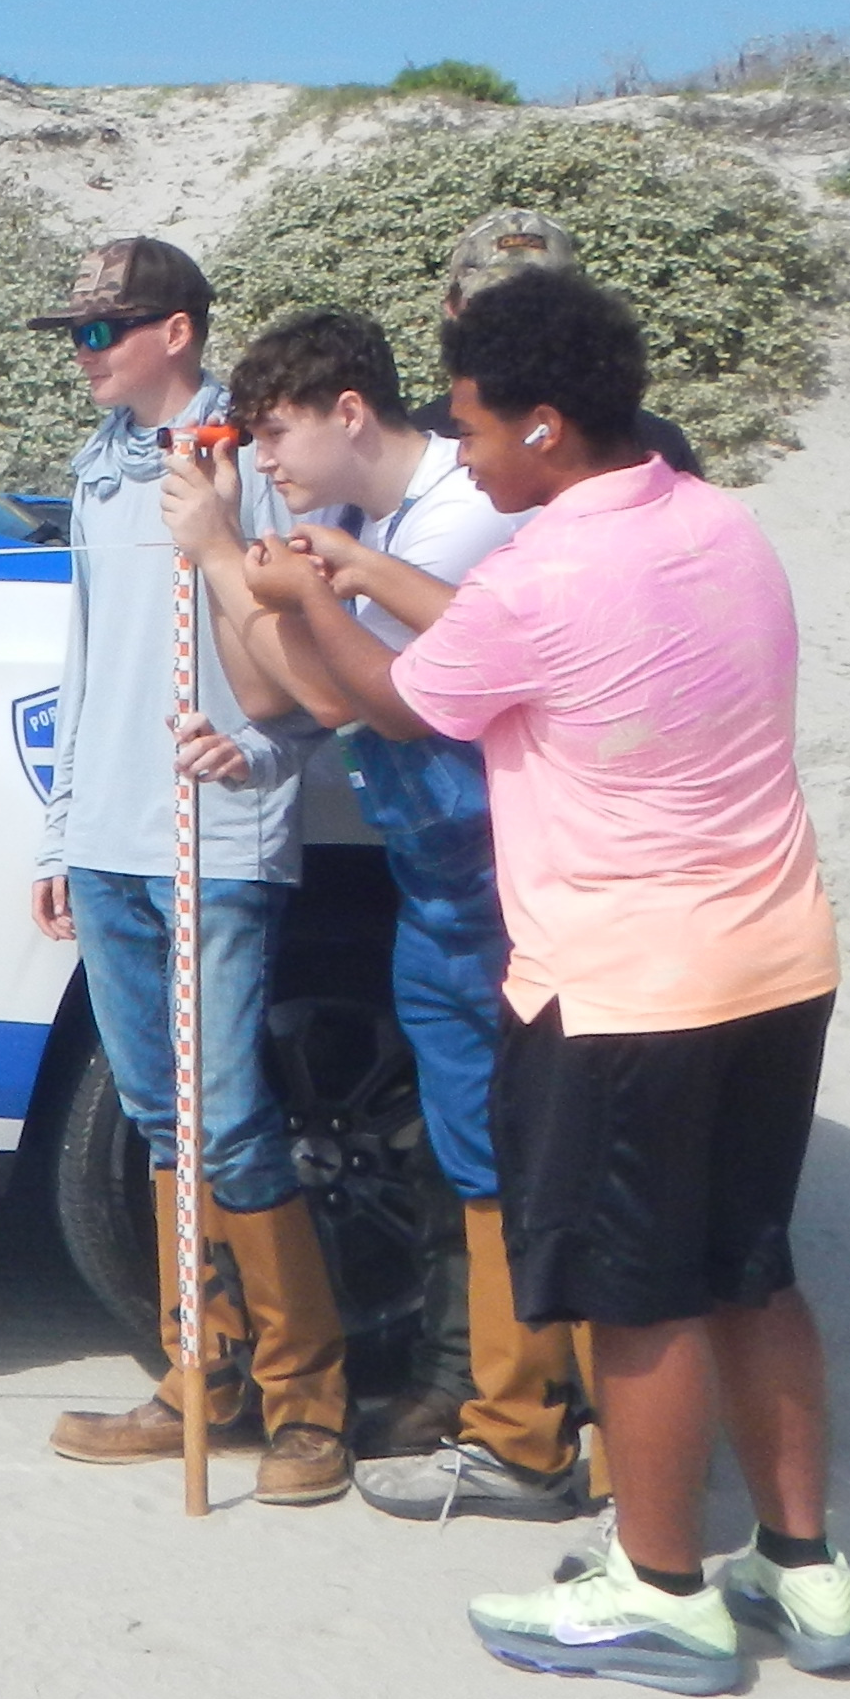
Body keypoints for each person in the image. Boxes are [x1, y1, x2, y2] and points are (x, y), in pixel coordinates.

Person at [241, 268, 850, 1696]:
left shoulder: (541, 580)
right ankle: (802, 1563)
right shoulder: (718, 521)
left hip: (624, 988)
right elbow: (487, 626)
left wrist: (300, 592)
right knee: (752, 1269)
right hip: (779, 960)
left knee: (638, 1298)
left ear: (542, 425)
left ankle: (661, 1589)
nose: (459, 453)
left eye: (471, 426)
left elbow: (395, 701)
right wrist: (364, 574)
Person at [200, 307, 586, 1519]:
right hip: (437, 876)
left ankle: (543, 1420)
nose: (264, 458)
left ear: (351, 412)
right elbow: (270, 690)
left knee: (524, 1148)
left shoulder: (461, 520)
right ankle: (483, 1399)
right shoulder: (365, 524)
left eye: (275, 433)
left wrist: (229, 561)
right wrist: (236, 566)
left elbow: (356, 695)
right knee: (464, 1147)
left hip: (503, 878)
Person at [23, 238, 353, 1504]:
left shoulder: (248, 460)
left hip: (215, 830)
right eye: (74, 333)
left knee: (231, 1112)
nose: (84, 353)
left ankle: (309, 1407)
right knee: (163, 1116)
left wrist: (267, 749)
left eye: (101, 330)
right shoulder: (100, 473)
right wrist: (61, 830)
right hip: (111, 835)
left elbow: (318, 650)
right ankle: (199, 1381)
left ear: (176, 330)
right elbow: (85, 662)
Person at [443, 210, 707, 479]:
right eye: (490, 304)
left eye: (540, 301)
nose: (518, 318)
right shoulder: (428, 445)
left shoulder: (649, 443)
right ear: (451, 309)